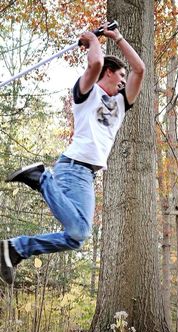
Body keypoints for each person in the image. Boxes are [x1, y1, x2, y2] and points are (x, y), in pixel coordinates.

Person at [0, 22, 145, 285]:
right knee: (78, 231)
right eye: (120, 75)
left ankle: (15, 249)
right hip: (72, 167)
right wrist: (93, 39)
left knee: (77, 236)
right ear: (109, 73)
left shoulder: (122, 103)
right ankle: (41, 179)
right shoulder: (85, 93)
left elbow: (140, 69)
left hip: (86, 175)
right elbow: (95, 64)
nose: (124, 81)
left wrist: (119, 37)